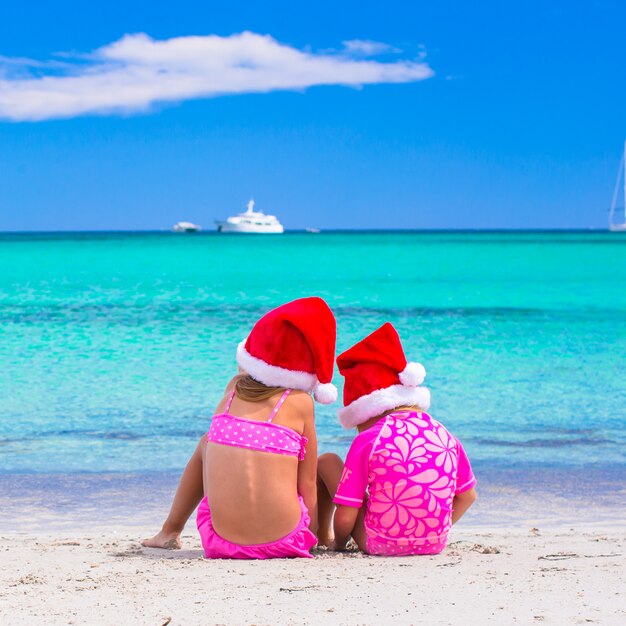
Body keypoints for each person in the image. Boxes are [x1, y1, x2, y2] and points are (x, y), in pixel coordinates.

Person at [143, 297, 337, 559]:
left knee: (207, 442)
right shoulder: (301, 402)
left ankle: (169, 531)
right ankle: (324, 535)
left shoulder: (233, 389)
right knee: (314, 464)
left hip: (221, 542)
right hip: (286, 541)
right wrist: (309, 534)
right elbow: (309, 480)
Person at [317, 322, 476, 556]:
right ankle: (427, 536)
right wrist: (436, 532)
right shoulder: (446, 434)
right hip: (435, 543)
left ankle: (322, 536)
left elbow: (346, 514)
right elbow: (468, 496)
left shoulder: (370, 439)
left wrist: (340, 544)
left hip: (379, 541)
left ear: (366, 411)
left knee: (327, 461)